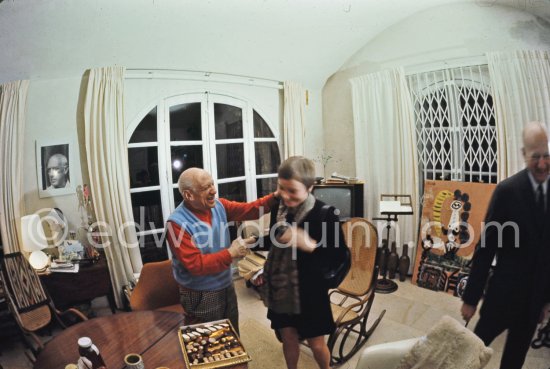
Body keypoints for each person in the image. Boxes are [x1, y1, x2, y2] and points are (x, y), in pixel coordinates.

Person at [460, 121, 550, 369]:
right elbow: (486, 248)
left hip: (533, 303)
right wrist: (471, 298)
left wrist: (546, 301)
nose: (542, 164)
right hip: (502, 296)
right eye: (535, 157)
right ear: (524, 155)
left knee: (514, 362)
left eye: (546, 156)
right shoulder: (507, 191)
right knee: (472, 354)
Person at [254, 156, 346, 369]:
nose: (285, 196)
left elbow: (338, 257)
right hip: (282, 288)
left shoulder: (326, 215)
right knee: (288, 338)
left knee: (316, 344)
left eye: (292, 191)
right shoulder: (279, 208)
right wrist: (253, 242)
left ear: (310, 187)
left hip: (311, 293)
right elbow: (276, 239)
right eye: (281, 188)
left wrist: (310, 245)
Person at [166, 167, 279, 332]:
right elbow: (196, 265)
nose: (213, 190)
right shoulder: (176, 224)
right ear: (188, 195)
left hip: (226, 284)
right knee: (210, 340)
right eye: (206, 188)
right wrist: (230, 253)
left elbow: (251, 209)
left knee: (231, 332)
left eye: (212, 184)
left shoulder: (219, 206)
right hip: (200, 293)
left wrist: (275, 197)